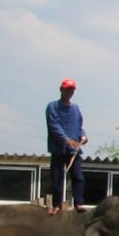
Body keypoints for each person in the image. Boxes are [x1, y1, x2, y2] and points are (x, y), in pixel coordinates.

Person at [46, 78, 87, 214]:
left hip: (74, 150)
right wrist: (66, 140)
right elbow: (54, 126)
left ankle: (79, 203)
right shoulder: (52, 106)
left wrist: (83, 136)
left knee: (78, 177)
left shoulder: (75, 108)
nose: (70, 92)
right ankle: (57, 205)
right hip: (58, 149)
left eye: (72, 90)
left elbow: (79, 126)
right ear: (61, 90)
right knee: (57, 178)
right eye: (67, 89)